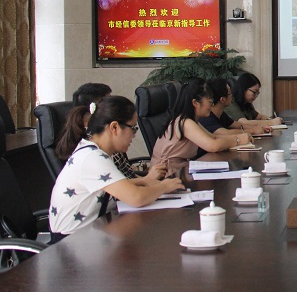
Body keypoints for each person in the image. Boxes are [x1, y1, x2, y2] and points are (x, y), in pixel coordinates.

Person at [49, 96, 184, 242]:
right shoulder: (92, 158)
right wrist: (164, 187)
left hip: (89, 233)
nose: (134, 136)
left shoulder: (93, 151)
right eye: (133, 128)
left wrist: (144, 181)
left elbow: (112, 186)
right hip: (71, 243)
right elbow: (136, 198)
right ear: (114, 127)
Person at [57, 83, 162, 180]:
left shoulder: (106, 136)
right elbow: (120, 186)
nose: (113, 107)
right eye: (109, 103)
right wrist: (150, 180)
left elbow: (128, 176)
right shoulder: (92, 147)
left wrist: (149, 181)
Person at [152, 78, 252, 177]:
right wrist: (238, 140)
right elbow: (213, 146)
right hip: (168, 175)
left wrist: (240, 137)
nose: (212, 106)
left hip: (181, 171)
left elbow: (213, 137)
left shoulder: (191, 121)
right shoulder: (185, 122)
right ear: (195, 103)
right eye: (210, 102)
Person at [197, 78, 273, 157]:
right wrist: (252, 131)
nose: (232, 96)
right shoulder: (206, 117)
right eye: (230, 94)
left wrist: (259, 127)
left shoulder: (221, 114)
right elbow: (224, 133)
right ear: (222, 99)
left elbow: (237, 124)